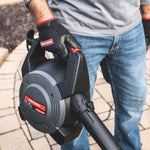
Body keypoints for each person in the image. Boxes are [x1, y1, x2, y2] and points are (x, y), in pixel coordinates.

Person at [24, 0, 150, 150]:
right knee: (70, 118)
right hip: (76, 30)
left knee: (133, 106)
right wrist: (45, 21)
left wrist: (147, 11)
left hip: (131, 27)